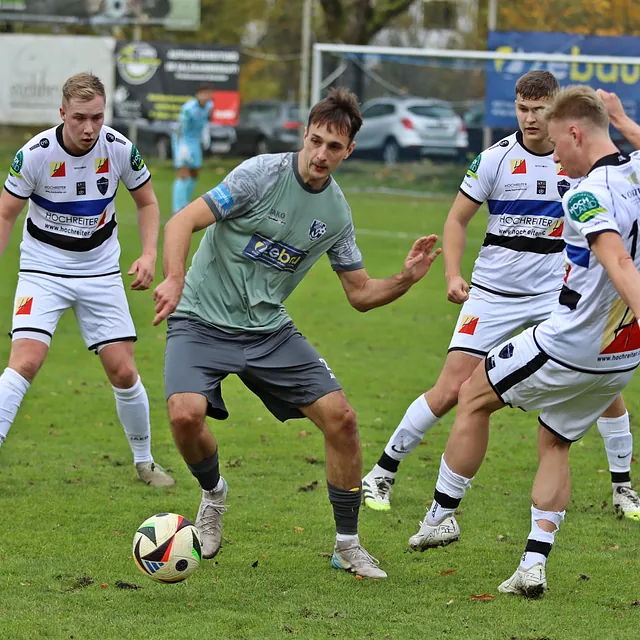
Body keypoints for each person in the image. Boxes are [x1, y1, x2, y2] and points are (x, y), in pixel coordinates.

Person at [152, 87, 442, 579]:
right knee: (185, 415)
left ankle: (347, 546)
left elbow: (360, 293)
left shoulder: (336, 214)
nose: (321, 154)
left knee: (342, 419)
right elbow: (182, 221)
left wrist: (405, 278)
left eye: (334, 147)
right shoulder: (260, 175)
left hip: (268, 331)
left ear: (349, 151)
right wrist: (175, 278)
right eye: (316, 141)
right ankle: (214, 495)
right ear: (304, 135)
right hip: (200, 318)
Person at [363, 70, 639, 521]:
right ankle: (382, 472)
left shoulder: (580, 164)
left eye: (539, 110)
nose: (529, 118)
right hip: (493, 293)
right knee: (452, 388)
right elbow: (456, 220)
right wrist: (453, 274)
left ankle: (623, 487)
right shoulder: (494, 159)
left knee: (601, 380)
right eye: (522, 109)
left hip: (554, 293)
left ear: (557, 113)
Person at [0, 72, 174, 488]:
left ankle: (145, 462)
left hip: (100, 271)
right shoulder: (35, 154)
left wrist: (149, 254)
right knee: (25, 360)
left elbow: (147, 203)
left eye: (97, 117)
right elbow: (6, 213)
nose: (89, 128)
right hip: (43, 270)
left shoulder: (119, 148)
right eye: (79, 117)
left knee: (123, 371)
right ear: (63, 113)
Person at [171, 84, 214, 215]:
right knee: (183, 172)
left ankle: (185, 203)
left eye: (208, 94)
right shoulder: (188, 108)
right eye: (203, 94)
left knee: (194, 172)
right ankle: (177, 208)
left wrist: (205, 135)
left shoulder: (209, 106)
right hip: (183, 140)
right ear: (197, 95)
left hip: (195, 141)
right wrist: (182, 146)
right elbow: (180, 127)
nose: (205, 97)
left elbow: (206, 122)